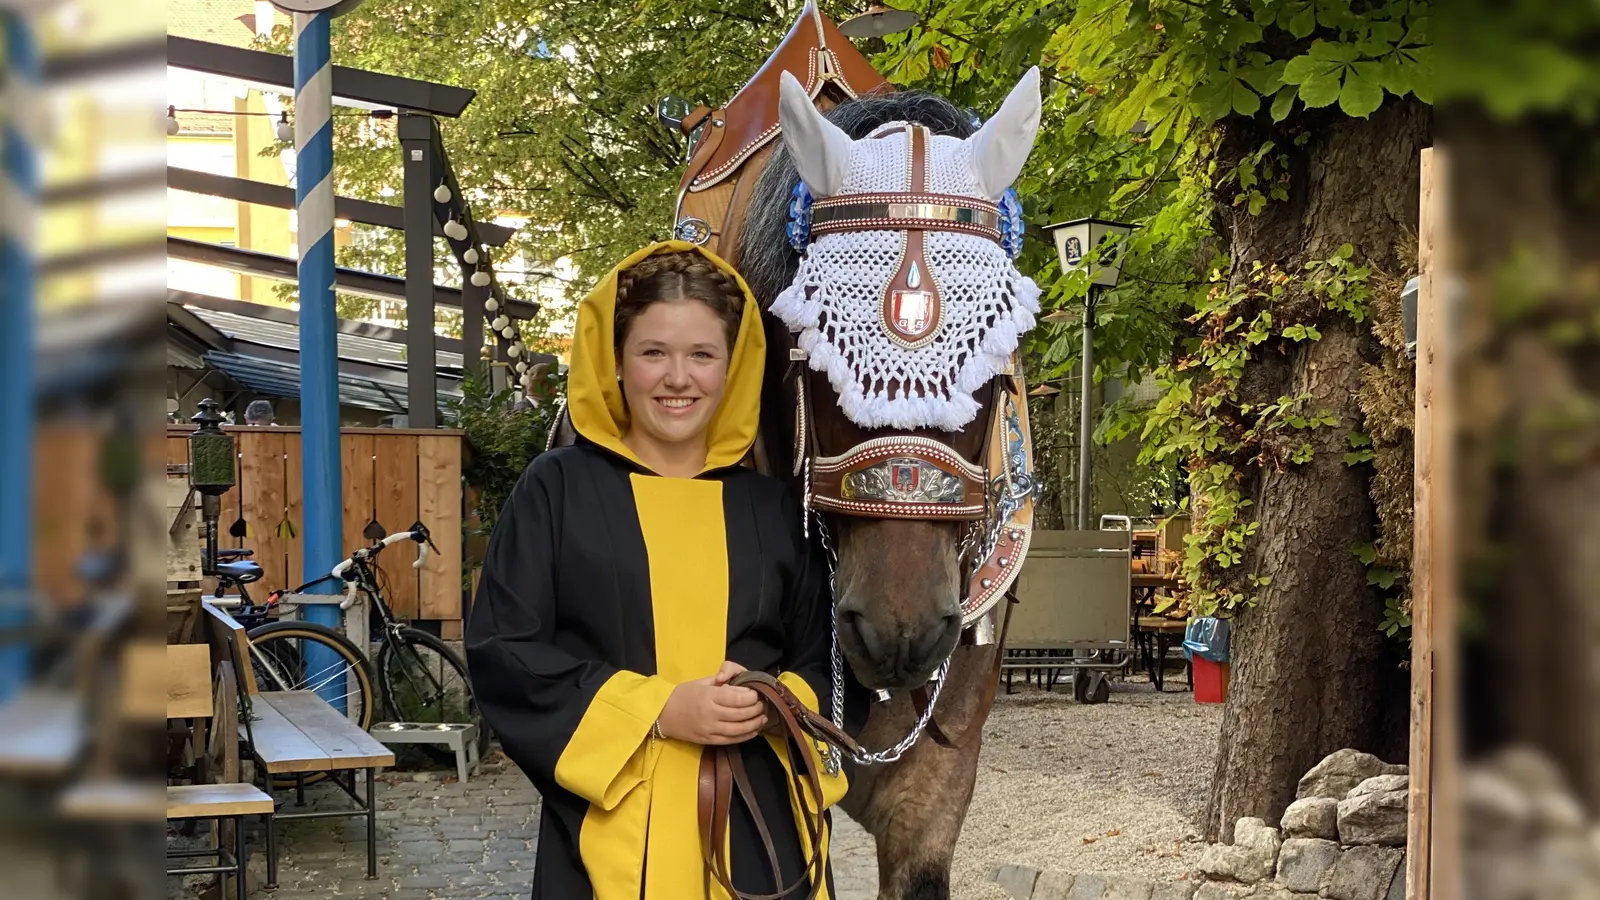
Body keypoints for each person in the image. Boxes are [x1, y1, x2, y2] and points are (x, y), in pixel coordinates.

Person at [465, 242, 847, 899]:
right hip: (606, 836)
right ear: (615, 363)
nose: (678, 378)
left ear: (734, 367)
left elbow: (829, 666)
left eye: (702, 354)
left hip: (760, 840)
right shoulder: (556, 491)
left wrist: (775, 704)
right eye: (653, 353)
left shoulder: (776, 509)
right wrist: (662, 709)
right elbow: (506, 652)